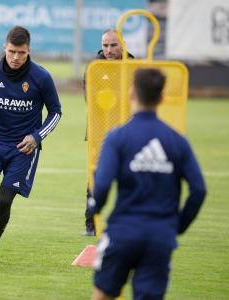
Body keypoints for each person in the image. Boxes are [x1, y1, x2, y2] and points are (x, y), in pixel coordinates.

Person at [91, 68, 206, 300]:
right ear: (162, 98)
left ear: (131, 92)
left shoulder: (117, 137)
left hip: (123, 231)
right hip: (160, 235)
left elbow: (102, 185)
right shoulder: (177, 140)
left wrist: (95, 208)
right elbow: (199, 190)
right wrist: (178, 225)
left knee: (103, 294)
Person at [0, 26, 62, 264]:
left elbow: (56, 112)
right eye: (11, 52)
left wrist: (36, 137)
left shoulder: (41, 77)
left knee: (4, 201)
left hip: (23, 149)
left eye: (21, 52)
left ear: (28, 51)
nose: (16, 57)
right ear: (4, 49)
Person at [84, 29, 135, 236]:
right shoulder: (94, 67)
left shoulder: (134, 67)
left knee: (132, 178)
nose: (108, 50)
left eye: (113, 45)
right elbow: (92, 100)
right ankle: (91, 223)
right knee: (95, 178)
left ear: (122, 44)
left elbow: (136, 100)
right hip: (100, 133)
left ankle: (130, 223)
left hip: (129, 133)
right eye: (105, 45)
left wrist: (112, 97)